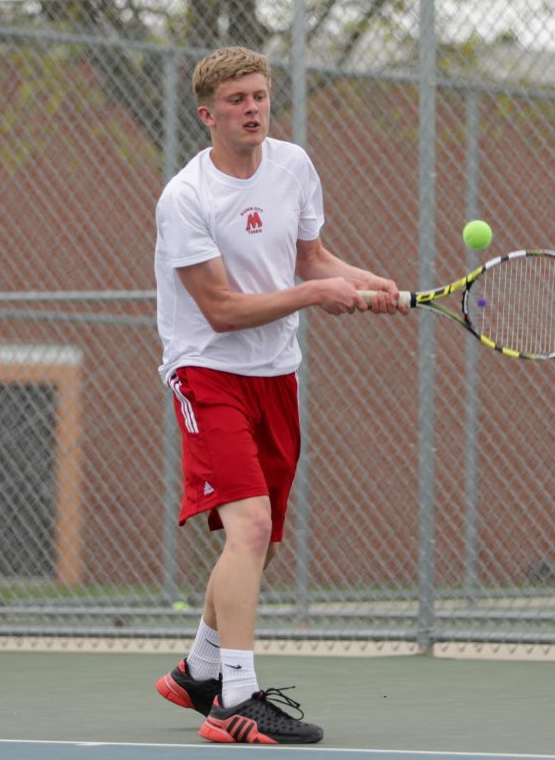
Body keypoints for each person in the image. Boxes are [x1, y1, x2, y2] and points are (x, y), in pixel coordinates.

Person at [152, 47, 406, 744]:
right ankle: (235, 698)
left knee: (256, 538)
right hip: (206, 370)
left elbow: (310, 259)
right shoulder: (185, 199)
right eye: (236, 100)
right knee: (251, 528)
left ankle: (197, 671)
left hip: (275, 374)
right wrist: (316, 295)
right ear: (207, 114)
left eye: (259, 95)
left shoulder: (293, 166)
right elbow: (222, 311)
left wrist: (364, 283)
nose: (253, 108)